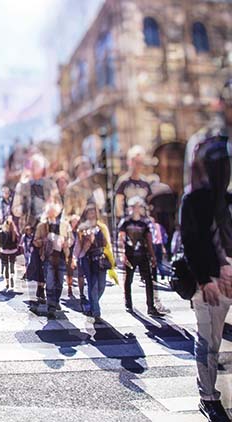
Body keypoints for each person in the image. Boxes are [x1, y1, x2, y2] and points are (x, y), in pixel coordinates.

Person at [181, 80, 232, 422]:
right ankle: (207, 394)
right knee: (209, 339)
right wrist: (207, 276)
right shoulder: (195, 197)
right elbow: (192, 235)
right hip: (211, 279)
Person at [12, 153, 62, 304]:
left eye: (37, 165)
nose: (35, 169)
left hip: (48, 228)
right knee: (33, 263)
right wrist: (21, 208)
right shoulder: (22, 186)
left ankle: (47, 291)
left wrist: (53, 209)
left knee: (49, 261)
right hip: (30, 230)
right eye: (32, 166)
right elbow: (15, 209)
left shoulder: (50, 184)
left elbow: (58, 204)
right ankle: (35, 292)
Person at [118, 196, 164, 317]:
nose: (136, 209)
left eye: (138, 207)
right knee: (128, 279)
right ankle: (128, 303)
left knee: (148, 281)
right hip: (130, 255)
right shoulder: (125, 222)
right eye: (134, 207)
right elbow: (121, 238)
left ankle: (150, 306)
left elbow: (149, 240)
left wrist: (153, 255)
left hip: (143, 255)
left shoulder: (144, 223)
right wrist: (122, 254)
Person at [74, 204, 114, 321]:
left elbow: (108, 243)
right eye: (89, 212)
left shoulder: (102, 227)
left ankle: (92, 304)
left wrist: (111, 257)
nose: (91, 214)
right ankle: (96, 312)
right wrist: (75, 258)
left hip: (101, 258)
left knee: (101, 285)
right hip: (88, 259)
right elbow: (78, 245)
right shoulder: (82, 228)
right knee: (93, 284)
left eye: (93, 212)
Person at [33, 203, 72, 319]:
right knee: (50, 283)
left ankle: (55, 301)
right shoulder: (42, 226)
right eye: (50, 213)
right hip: (48, 258)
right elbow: (35, 241)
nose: (52, 215)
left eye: (54, 212)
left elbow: (71, 239)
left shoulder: (64, 225)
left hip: (60, 257)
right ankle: (51, 307)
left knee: (59, 283)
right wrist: (44, 241)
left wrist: (66, 243)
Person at [114, 146, 152, 220]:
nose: (138, 166)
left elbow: (149, 203)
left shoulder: (145, 182)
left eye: (140, 163)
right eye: (136, 162)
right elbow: (118, 203)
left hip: (143, 220)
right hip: (128, 220)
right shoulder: (123, 182)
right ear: (130, 162)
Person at [0, 216, 19, 290]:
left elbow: (0, 242)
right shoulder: (14, 233)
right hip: (13, 251)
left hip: (5, 251)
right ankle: (12, 277)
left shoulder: (2, 233)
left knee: (6, 267)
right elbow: (17, 242)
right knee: (12, 266)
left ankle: (7, 283)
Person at [66, 215, 79, 297]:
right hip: (70, 254)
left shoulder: (80, 231)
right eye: (74, 222)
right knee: (69, 272)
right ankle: (69, 287)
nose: (75, 223)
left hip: (79, 255)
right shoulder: (68, 231)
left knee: (80, 273)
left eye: (77, 222)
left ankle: (81, 292)